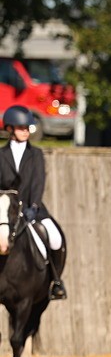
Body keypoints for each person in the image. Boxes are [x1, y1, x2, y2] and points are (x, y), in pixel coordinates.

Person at [0, 105, 66, 299]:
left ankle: (55, 281)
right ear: (10, 129)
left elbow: (38, 182)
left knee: (55, 238)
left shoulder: (36, 154)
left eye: (28, 128)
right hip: (5, 210)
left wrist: (34, 206)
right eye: (21, 128)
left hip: (32, 208)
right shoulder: (1, 155)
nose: (25, 131)